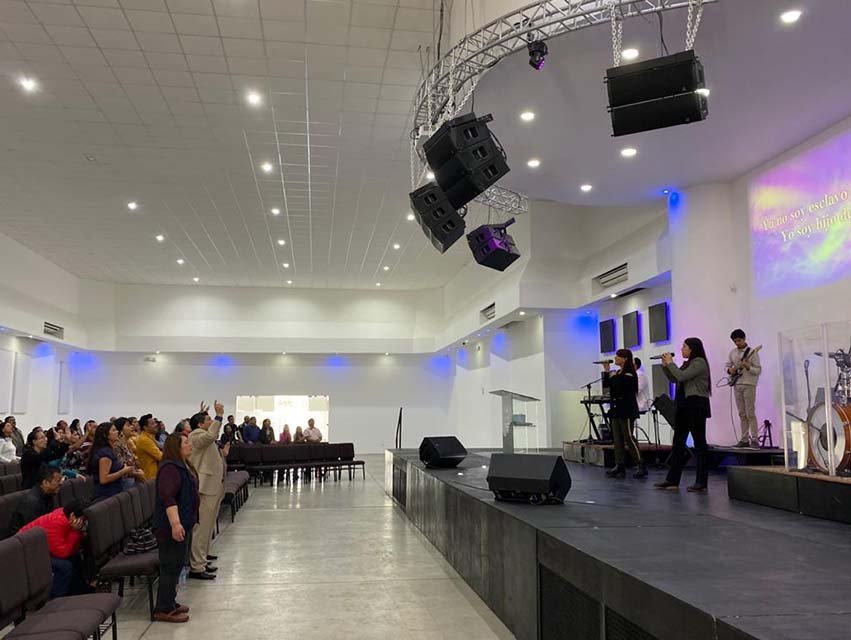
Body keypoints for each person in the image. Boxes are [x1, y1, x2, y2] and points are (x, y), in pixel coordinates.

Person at [655, 338, 712, 493]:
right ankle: (672, 480)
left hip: (695, 405)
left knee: (699, 444)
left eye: (685, 346)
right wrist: (666, 366)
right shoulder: (688, 363)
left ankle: (701, 482)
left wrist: (671, 363)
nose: (682, 349)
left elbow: (681, 376)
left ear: (692, 348)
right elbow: (674, 378)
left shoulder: (699, 362)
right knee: (678, 443)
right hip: (683, 406)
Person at [152, 433, 199, 623]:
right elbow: (168, 498)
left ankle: (170, 602)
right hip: (169, 526)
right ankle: (163, 608)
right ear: (176, 447)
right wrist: (175, 524)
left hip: (184, 523)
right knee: (170, 566)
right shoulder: (170, 469)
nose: (190, 445)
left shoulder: (182, 465)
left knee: (176, 564)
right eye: (186, 442)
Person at [19, 499, 91, 598]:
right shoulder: (57, 522)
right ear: (73, 515)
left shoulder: (67, 518)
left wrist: (78, 532)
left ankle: (79, 592)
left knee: (76, 557)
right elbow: (63, 553)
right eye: (83, 519)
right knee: (64, 567)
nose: (84, 523)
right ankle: (56, 599)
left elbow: (72, 548)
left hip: (41, 549)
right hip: (26, 554)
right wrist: (75, 531)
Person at [187, 401, 226, 581]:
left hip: (213, 485)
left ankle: (203, 557)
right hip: (205, 487)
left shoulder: (201, 433)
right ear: (200, 424)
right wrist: (219, 416)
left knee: (208, 525)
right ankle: (197, 566)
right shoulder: (196, 435)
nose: (212, 422)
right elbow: (210, 436)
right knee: (201, 527)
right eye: (208, 420)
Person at [602, 350, 646, 479]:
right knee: (617, 438)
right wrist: (607, 372)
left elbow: (621, 386)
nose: (615, 358)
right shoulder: (618, 373)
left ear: (625, 359)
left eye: (618, 356)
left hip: (626, 409)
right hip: (617, 408)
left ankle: (640, 463)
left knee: (628, 437)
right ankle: (619, 464)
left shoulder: (630, 373)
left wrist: (613, 377)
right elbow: (608, 385)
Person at [726, 329, 762, 448]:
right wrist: (730, 370)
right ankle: (744, 439)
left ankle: (755, 439)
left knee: (750, 412)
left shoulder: (752, 352)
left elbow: (758, 370)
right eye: (735, 341)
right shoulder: (732, 353)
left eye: (739, 340)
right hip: (737, 384)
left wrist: (748, 367)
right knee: (742, 413)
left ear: (744, 338)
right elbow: (727, 366)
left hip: (749, 384)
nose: (737, 343)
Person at [9, 465, 63, 535]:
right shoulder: (32, 502)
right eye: (58, 481)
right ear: (45, 482)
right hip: (23, 538)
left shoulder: (48, 494)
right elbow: (33, 532)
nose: (61, 483)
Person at [89, 422, 135, 499]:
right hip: (107, 494)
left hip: (114, 491)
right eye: (114, 430)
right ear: (105, 435)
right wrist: (124, 471)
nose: (117, 432)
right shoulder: (105, 453)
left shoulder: (109, 450)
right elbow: (104, 479)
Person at [113, 417, 144, 489]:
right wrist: (137, 473)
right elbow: (122, 467)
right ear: (120, 430)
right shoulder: (117, 446)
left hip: (133, 479)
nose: (132, 427)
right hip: (125, 482)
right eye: (128, 425)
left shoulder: (126, 444)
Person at [136, 414, 163, 480]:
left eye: (155, 423)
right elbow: (160, 456)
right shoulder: (144, 440)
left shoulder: (150, 437)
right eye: (152, 424)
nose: (156, 425)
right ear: (145, 427)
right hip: (149, 477)